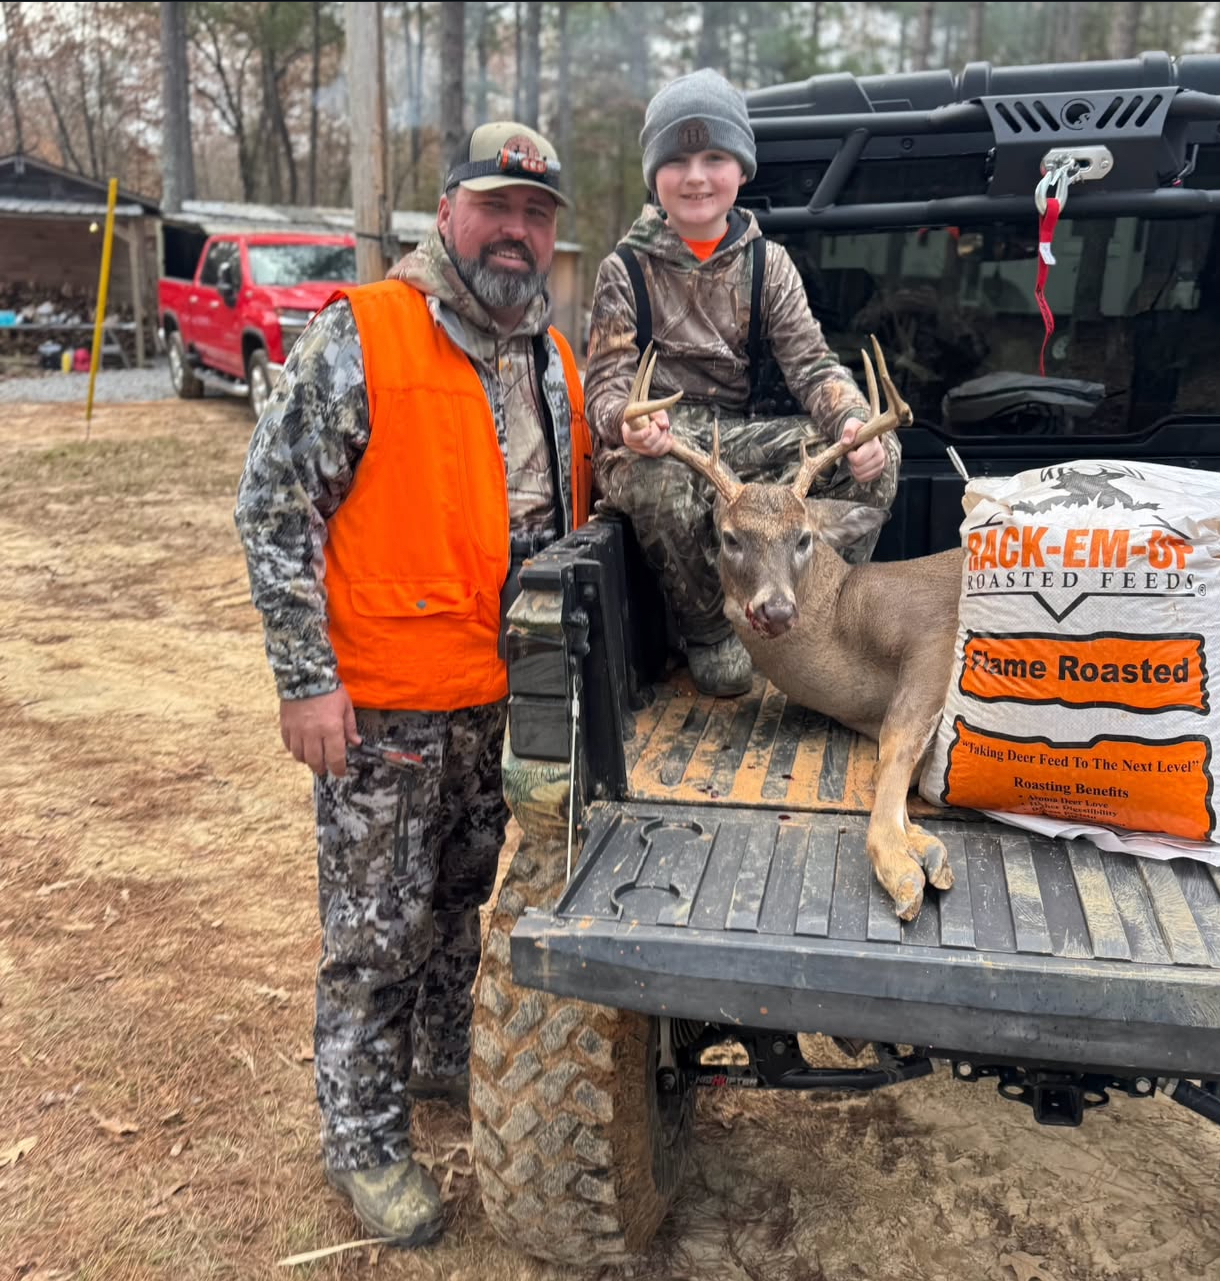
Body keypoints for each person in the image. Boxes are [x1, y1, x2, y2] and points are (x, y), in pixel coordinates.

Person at [233, 122, 589, 1249]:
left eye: (536, 216)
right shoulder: (367, 332)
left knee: (458, 903)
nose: (516, 233)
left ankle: (439, 1061)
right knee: (374, 935)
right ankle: (362, 1139)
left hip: (497, 698)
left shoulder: (552, 359)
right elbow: (272, 505)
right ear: (446, 215)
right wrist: (306, 681)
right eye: (496, 209)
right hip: (384, 705)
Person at [584, 68, 901, 696]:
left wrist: (852, 423)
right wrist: (628, 420)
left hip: (737, 436)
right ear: (654, 175)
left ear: (742, 170)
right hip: (660, 441)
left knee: (876, 457)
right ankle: (709, 630)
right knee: (658, 482)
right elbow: (605, 388)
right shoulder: (624, 269)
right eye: (677, 161)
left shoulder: (768, 264)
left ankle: (817, 611)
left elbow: (812, 365)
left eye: (714, 158)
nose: (696, 177)